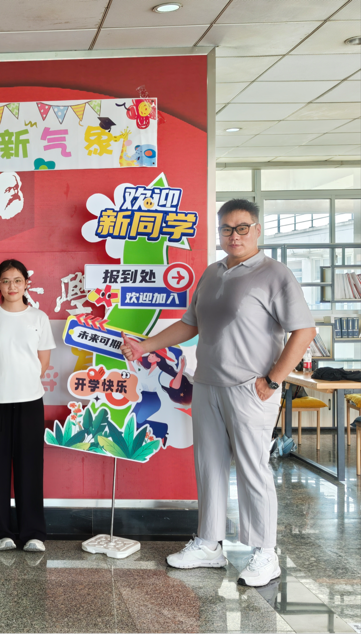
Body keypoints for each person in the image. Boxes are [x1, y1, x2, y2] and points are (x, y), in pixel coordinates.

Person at [122, 199, 316, 587]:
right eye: (227, 228)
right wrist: (145, 346)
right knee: (208, 466)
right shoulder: (212, 273)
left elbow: (304, 330)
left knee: (252, 468)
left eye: (242, 228)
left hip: (251, 388)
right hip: (207, 383)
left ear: (257, 230)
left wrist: (273, 379)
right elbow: (189, 325)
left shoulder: (275, 274)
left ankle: (265, 552)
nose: (234, 235)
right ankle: (209, 544)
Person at [0, 259, 55, 553]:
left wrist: (24, 381)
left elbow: (43, 361)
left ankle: (33, 532)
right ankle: (0, 533)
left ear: (26, 284)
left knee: (29, 467)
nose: (12, 286)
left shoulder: (38, 318)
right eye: (5, 281)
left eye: (17, 280)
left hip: (30, 400)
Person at [126, 348, 193, 449]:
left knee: (137, 422)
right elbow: (134, 375)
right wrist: (129, 361)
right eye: (150, 355)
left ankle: (161, 431)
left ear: (158, 359)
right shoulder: (145, 372)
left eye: (153, 355)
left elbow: (175, 385)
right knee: (131, 420)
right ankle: (161, 429)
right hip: (143, 398)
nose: (149, 356)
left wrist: (181, 368)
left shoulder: (160, 374)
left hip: (153, 400)